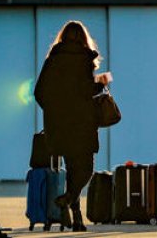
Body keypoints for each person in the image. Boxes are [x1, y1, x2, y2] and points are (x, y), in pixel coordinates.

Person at [34, 20, 108, 232]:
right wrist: (100, 84)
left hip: (59, 126)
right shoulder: (85, 59)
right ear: (84, 38)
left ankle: (75, 216)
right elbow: (85, 91)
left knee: (72, 169)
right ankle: (69, 199)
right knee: (85, 170)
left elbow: (39, 92)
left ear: (63, 37)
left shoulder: (53, 59)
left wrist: (53, 111)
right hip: (82, 124)